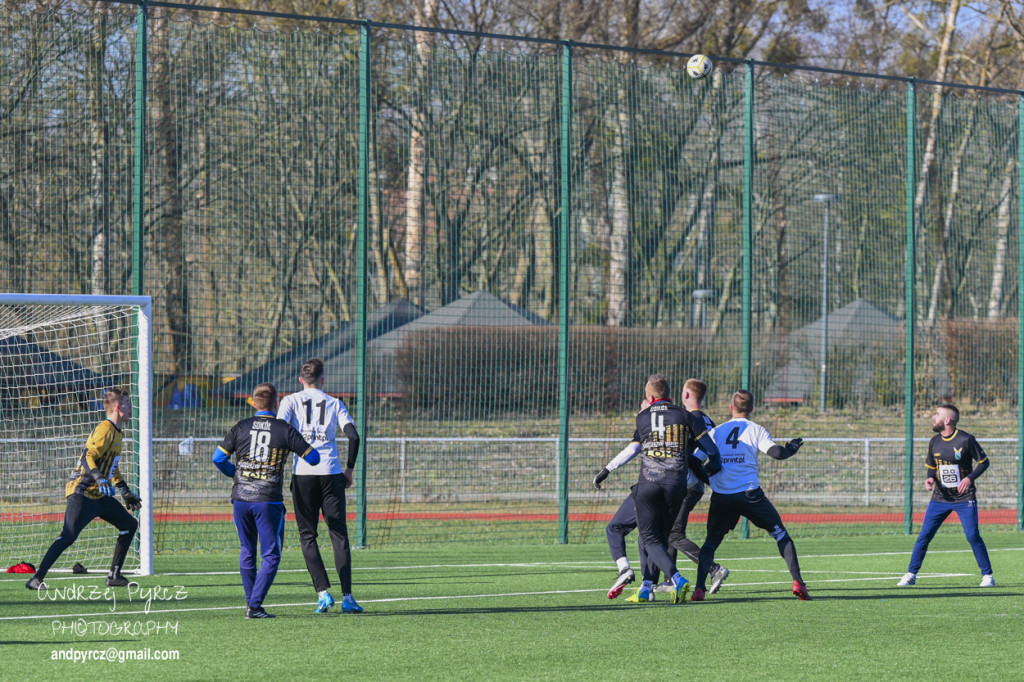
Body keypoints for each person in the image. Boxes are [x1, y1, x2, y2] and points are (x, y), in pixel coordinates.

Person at [594, 373, 722, 604]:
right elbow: (711, 451)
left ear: (650, 396)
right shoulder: (685, 415)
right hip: (676, 486)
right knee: (657, 537)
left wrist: (606, 470)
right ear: (670, 394)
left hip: (648, 484)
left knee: (649, 537)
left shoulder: (643, 418)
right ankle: (647, 587)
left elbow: (633, 450)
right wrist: (710, 474)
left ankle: (674, 579)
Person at [691, 389, 809, 602]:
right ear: (752, 409)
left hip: (722, 496)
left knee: (710, 542)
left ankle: (699, 588)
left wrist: (709, 478)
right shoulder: (756, 429)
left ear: (731, 407)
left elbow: (695, 460)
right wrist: (791, 448)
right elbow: (777, 453)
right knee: (780, 534)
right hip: (749, 494)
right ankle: (798, 582)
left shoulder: (716, 432)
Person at [214, 382, 319, 619]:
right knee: (271, 554)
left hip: (240, 498)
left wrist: (236, 474)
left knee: (247, 550)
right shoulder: (284, 429)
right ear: (276, 402)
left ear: (253, 402)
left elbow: (218, 458)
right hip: (267, 499)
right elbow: (313, 457)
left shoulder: (241, 427)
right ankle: (255, 605)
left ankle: (252, 604)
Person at [26, 387, 143, 590]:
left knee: (129, 525)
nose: (130, 406)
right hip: (81, 492)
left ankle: (114, 576)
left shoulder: (117, 433)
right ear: (117, 406)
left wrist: (124, 490)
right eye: (127, 403)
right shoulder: (105, 428)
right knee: (69, 535)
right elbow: (87, 456)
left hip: (99, 497)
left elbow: (111, 467)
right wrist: (98, 477)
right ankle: (36, 579)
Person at [277, 358, 363, 614]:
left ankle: (323, 593)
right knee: (339, 535)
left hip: (303, 474)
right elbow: (354, 436)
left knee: (307, 535)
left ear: (300, 379)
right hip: (331, 473)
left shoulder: (290, 401)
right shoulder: (335, 403)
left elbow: (280, 431)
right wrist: (348, 469)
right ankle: (348, 597)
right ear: (323, 379)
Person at [897, 403, 994, 588]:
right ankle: (911, 574)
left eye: (937, 414)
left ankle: (988, 576)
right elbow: (932, 467)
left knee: (972, 535)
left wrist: (969, 479)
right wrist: (929, 479)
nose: (933, 417)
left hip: (964, 498)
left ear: (947, 420)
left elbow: (984, 462)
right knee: (924, 535)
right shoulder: (934, 441)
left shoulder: (966, 440)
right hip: (940, 498)